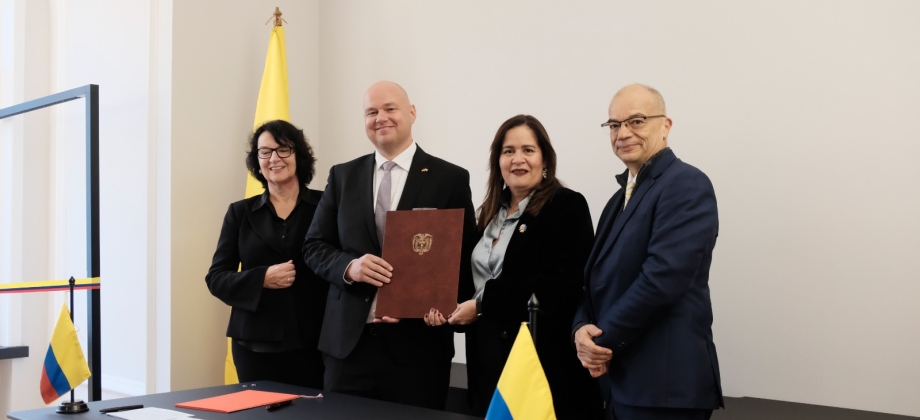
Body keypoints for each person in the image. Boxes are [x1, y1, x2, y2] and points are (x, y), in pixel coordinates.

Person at [302, 81, 477, 410]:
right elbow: (314, 246)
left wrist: (446, 305)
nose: (380, 117)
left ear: (411, 113)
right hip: (348, 349)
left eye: (390, 108)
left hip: (418, 350)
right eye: (371, 112)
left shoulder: (449, 178)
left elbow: (464, 257)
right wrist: (349, 267)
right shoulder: (342, 176)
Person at [573, 84, 723, 419]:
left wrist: (600, 344)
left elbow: (662, 280)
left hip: (665, 389)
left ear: (665, 125)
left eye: (636, 121)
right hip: (622, 385)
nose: (623, 133)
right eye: (614, 125)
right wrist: (580, 327)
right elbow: (596, 278)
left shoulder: (686, 184)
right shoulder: (618, 200)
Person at [445, 115, 604, 419]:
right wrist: (445, 306)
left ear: (545, 159)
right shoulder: (489, 213)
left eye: (528, 150)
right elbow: (472, 280)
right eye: (508, 151)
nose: (518, 159)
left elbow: (560, 286)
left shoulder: (566, 206)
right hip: (488, 363)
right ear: (498, 161)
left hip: (541, 366)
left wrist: (481, 305)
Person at [205, 120, 327, 389]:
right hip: (254, 346)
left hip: (315, 342)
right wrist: (261, 277)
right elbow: (216, 278)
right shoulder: (239, 212)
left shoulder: (326, 204)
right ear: (256, 160)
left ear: (299, 155)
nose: (274, 158)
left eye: (283, 149)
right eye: (265, 152)